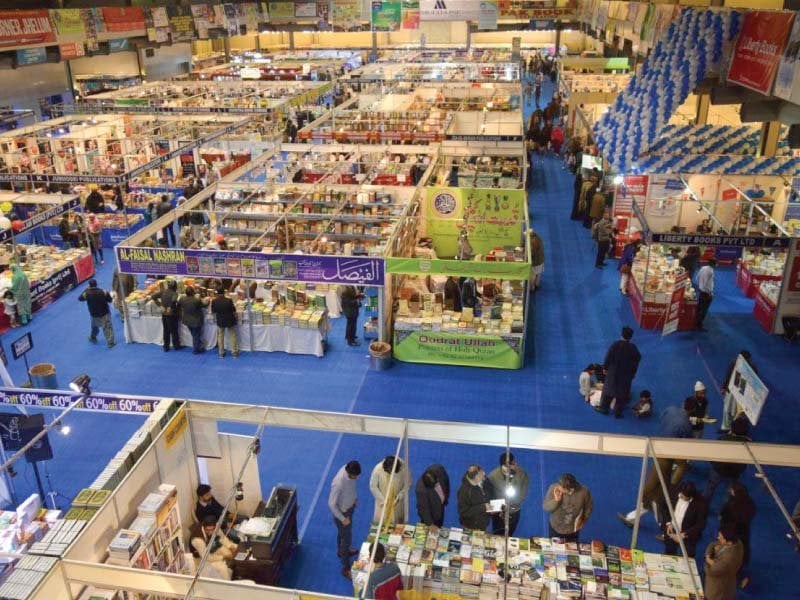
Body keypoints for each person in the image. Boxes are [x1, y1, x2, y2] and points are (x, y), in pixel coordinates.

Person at [617, 401, 695, 527]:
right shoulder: (686, 425)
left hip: (660, 449)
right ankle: (657, 524)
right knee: (656, 496)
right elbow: (688, 446)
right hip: (667, 457)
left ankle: (655, 524)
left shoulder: (670, 408)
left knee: (655, 496)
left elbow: (661, 420)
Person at [705, 417, 751, 503]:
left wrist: (714, 464)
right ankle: (726, 507)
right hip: (734, 474)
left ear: (732, 429)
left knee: (710, 487)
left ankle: (705, 503)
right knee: (730, 491)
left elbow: (712, 454)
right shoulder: (748, 444)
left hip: (717, 469)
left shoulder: (723, 439)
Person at [718, 482, 755, 590]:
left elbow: (725, 516)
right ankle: (737, 571)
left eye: (732, 490)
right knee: (740, 552)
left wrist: (723, 529)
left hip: (732, 532)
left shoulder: (732, 504)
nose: (731, 491)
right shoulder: (749, 503)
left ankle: (730, 575)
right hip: (742, 533)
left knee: (729, 552)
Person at [598, 326, 641, 417]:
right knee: (622, 395)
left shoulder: (615, 345)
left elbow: (608, 357)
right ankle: (618, 413)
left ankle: (604, 409)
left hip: (613, 373)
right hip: (626, 375)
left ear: (621, 335)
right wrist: (632, 373)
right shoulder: (633, 348)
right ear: (630, 337)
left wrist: (605, 368)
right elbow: (637, 361)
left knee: (608, 391)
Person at [329, 460, 361, 579]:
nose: (356, 478)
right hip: (342, 513)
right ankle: (346, 567)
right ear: (349, 472)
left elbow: (352, 488)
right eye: (355, 476)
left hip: (349, 508)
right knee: (346, 538)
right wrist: (342, 518)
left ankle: (341, 551)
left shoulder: (349, 471)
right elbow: (331, 504)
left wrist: (354, 499)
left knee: (342, 534)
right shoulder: (338, 483)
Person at [659, 480, 707, 558]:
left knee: (688, 556)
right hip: (671, 529)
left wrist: (683, 535)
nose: (682, 498)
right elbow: (664, 507)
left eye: (685, 498)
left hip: (688, 534)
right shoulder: (672, 490)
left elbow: (700, 524)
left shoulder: (701, 503)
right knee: (669, 551)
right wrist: (668, 523)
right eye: (681, 496)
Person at [487, 452, 530, 536]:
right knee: (497, 534)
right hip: (499, 513)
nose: (516, 465)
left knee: (509, 534)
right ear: (505, 466)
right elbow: (489, 495)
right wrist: (500, 506)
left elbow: (524, 493)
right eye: (513, 464)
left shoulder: (522, 474)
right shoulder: (492, 477)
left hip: (514, 511)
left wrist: (512, 502)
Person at [543, 473, 593, 542]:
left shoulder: (584, 492)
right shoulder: (553, 488)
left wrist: (583, 521)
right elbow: (546, 507)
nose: (558, 487)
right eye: (559, 484)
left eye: (561, 487)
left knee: (571, 551)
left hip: (572, 529)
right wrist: (556, 500)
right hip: (555, 527)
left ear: (569, 489)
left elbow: (588, 508)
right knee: (554, 549)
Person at [189, 515, 236, 580]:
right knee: (222, 568)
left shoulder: (215, 526)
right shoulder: (197, 539)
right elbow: (207, 557)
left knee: (232, 550)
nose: (210, 532)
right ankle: (228, 583)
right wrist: (223, 557)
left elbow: (222, 537)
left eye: (212, 529)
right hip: (201, 559)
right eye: (207, 530)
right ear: (203, 526)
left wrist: (230, 546)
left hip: (210, 548)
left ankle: (235, 573)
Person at [720, 351, 757, 433]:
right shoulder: (734, 364)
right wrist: (724, 387)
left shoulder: (752, 369)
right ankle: (725, 427)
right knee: (727, 410)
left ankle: (736, 430)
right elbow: (728, 375)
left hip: (743, 395)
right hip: (732, 391)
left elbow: (754, 384)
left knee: (739, 413)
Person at [703, 524, 744, 600]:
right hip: (721, 581)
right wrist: (711, 560)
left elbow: (710, 571)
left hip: (718, 592)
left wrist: (707, 559)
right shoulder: (735, 542)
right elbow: (712, 544)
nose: (718, 538)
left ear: (728, 541)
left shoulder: (730, 559)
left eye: (720, 537)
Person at [369, 456, 411, 525]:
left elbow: (407, 485)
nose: (391, 473)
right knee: (381, 525)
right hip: (382, 502)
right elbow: (373, 486)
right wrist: (383, 499)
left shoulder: (404, 469)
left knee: (397, 526)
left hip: (397, 503)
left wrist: (399, 497)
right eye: (389, 471)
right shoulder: (378, 469)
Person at [78, 279, 115, 348]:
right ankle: (110, 343)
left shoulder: (87, 293)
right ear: (96, 284)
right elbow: (110, 300)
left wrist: (86, 290)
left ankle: (92, 337)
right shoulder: (103, 292)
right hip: (104, 313)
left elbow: (80, 298)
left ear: (89, 285)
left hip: (94, 314)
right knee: (107, 327)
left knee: (94, 327)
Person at [457, 464, 493, 532]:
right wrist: (483, 507)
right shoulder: (463, 492)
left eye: (482, 471)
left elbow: (490, 492)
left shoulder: (484, 480)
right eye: (481, 474)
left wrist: (491, 507)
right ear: (476, 477)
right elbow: (463, 512)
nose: (484, 474)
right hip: (471, 526)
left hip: (484, 523)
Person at [154, 279, 182, 352]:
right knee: (174, 331)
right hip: (172, 315)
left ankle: (166, 347)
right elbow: (174, 300)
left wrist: (160, 305)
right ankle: (176, 346)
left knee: (166, 331)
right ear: (175, 287)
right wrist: (170, 306)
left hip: (164, 314)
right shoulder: (175, 293)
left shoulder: (163, 292)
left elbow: (153, 296)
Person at [211, 288, 238, 358]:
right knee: (232, 335)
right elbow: (233, 310)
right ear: (224, 292)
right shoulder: (229, 300)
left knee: (220, 336)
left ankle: (221, 352)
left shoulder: (214, 301)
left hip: (220, 320)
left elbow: (213, 311)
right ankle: (234, 352)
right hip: (229, 320)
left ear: (217, 293)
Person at [180, 286, 208, 354]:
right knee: (196, 335)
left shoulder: (182, 299)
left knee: (194, 334)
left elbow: (179, 304)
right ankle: (196, 349)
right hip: (196, 320)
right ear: (193, 292)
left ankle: (198, 345)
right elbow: (204, 305)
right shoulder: (196, 300)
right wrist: (208, 301)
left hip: (187, 320)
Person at [696, 258, 716, 331]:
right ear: (714, 264)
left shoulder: (703, 268)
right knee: (704, 310)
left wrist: (699, 286)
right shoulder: (711, 271)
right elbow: (707, 284)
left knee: (699, 308)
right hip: (706, 293)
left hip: (701, 291)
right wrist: (709, 292)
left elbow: (697, 278)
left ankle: (696, 322)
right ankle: (699, 325)